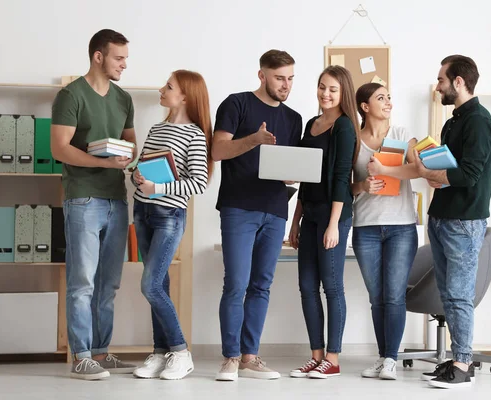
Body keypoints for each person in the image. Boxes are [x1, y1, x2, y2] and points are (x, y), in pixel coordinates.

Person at [50, 29, 137, 380]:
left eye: (126, 59)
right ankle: (81, 356)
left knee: (108, 284)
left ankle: (100, 352)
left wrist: (123, 155)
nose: (124, 65)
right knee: (82, 282)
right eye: (119, 58)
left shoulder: (123, 98)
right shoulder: (70, 95)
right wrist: (102, 161)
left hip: (117, 198)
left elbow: (131, 144)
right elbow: (60, 148)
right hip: (83, 198)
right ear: (98, 57)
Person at [212, 50, 302, 381]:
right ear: (262, 75)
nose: (286, 85)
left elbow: (288, 168)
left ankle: (250, 356)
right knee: (236, 283)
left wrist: (292, 173)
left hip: (276, 208)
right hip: (238, 207)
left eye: (291, 78)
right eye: (280, 78)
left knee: (261, 286)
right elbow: (218, 151)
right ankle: (230, 358)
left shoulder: (294, 118)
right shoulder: (236, 104)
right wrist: (254, 139)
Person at [414, 55, 491, 389]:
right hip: (442, 217)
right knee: (448, 295)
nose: (438, 87)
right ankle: (456, 358)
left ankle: (463, 363)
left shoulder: (478, 121)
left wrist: (439, 175)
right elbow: (450, 170)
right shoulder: (454, 121)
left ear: (459, 82)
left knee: (459, 296)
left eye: (442, 80)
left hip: (463, 221)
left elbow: (471, 174)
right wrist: (437, 176)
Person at [130, 70, 213, 380]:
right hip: (142, 211)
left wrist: (159, 189)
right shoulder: (156, 128)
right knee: (158, 285)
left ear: (184, 96)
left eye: (168, 86)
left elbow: (198, 183)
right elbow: (141, 168)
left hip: (168, 217)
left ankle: (180, 351)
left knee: (150, 285)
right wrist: (137, 176)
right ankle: (160, 352)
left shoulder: (194, 135)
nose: (161, 90)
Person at [288, 66, 359, 379]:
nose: (325, 94)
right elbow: (304, 178)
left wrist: (333, 225)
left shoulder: (344, 127)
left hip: (334, 216)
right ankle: (316, 356)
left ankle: (333, 358)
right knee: (306, 286)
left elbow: (343, 177)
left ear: (343, 92)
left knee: (332, 287)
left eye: (332, 89)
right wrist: (295, 222)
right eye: (321, 87)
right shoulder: (311, 124)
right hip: (310, 213)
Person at [351, 82, 420, 380]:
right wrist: (364, 184)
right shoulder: (354, 140)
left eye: (389, 97)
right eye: (381, 98)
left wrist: (385, 171)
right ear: (365, 107)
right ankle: (383, 357)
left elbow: (418, 169)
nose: (389, 102)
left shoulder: (403, 135)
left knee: (393, 296)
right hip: (365, 226)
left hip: (401, 227)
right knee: (376, 297)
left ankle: (391, 359)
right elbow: (344, 186)